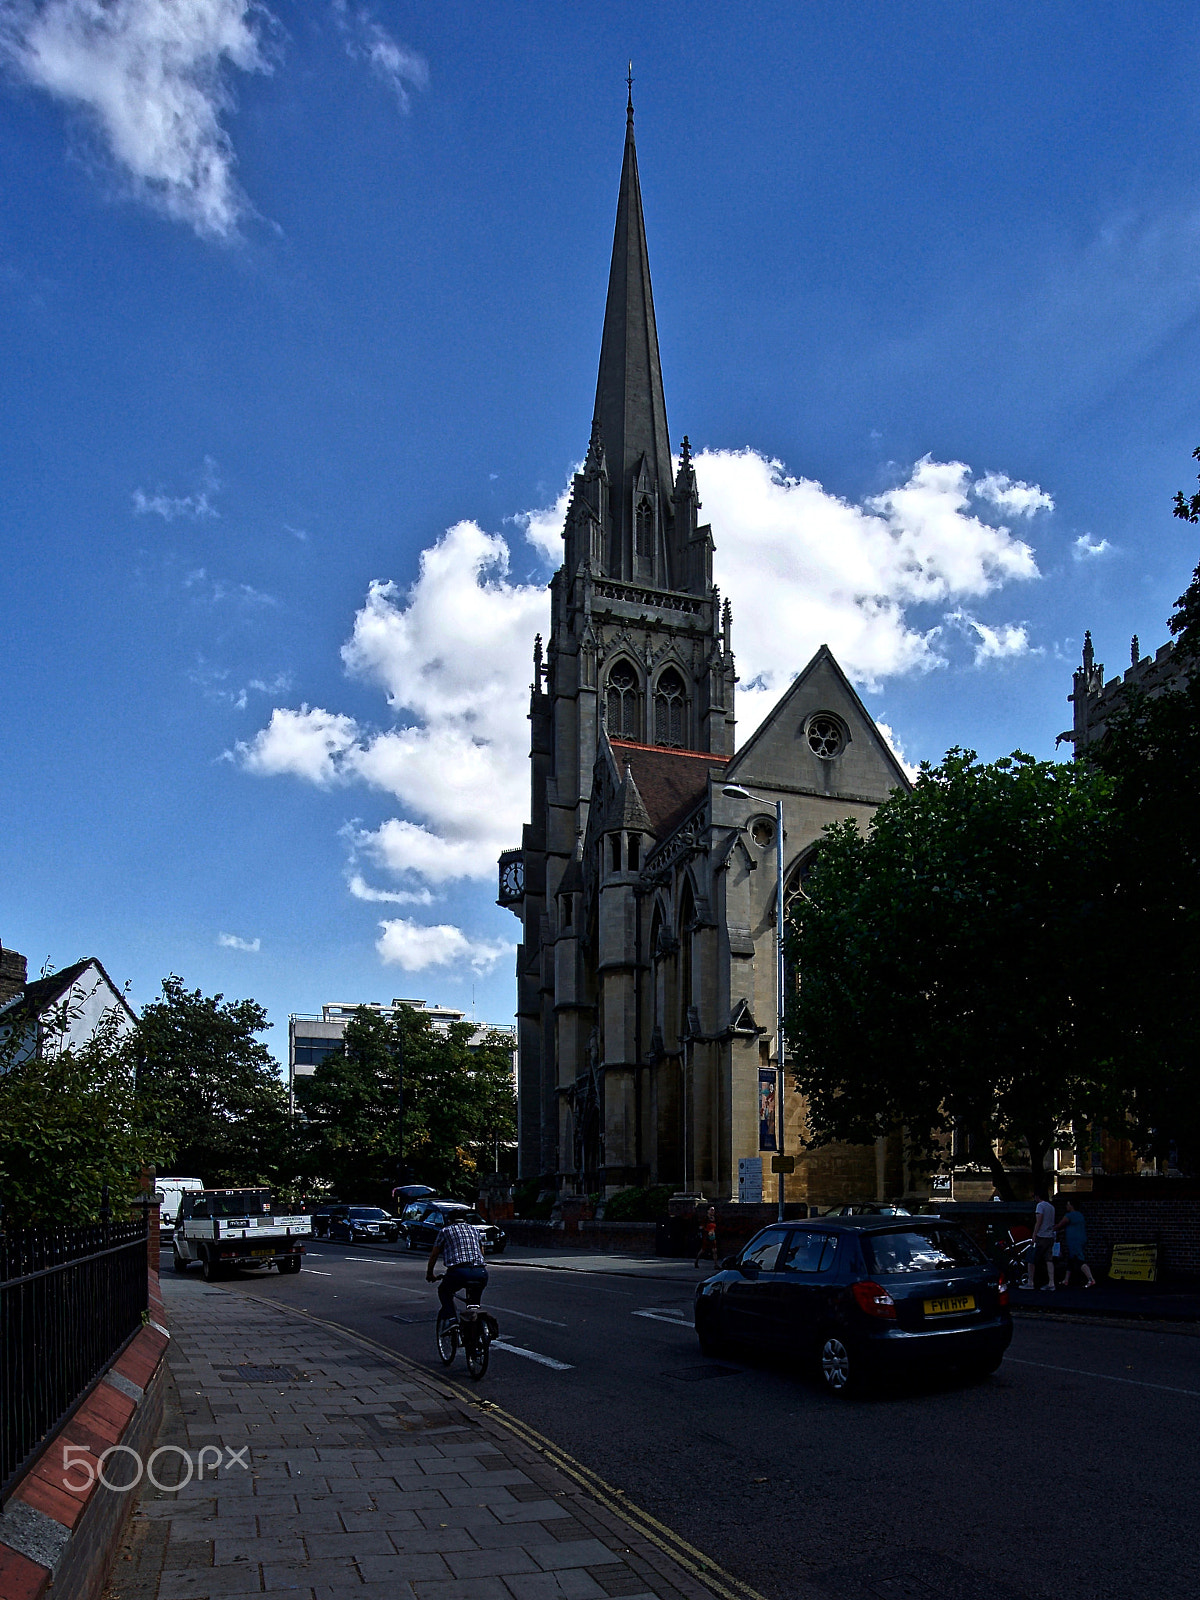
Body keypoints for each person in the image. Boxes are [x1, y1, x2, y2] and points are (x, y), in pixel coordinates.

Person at [426, 1213, 488, 1321]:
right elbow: (481, 1251)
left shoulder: (445, 1231)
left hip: (459, 1272)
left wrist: (430, 1273)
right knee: (474, 1303)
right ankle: (476, 1327)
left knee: (444, 1291)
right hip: (480, 1271)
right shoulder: (474, 1230)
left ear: (450, 1221)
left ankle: (451, 1320)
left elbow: (434, 1254)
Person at [1055, 1197, 1096, 1288]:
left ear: (1071, 1205)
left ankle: (1091, 1279)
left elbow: (1060, 1225)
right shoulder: (1080, 1215)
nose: (1066, 1206)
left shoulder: (1069, 1215)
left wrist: (1050, 1229)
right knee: (1071, 1259)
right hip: (1080, 1240)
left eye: (1068, 1204)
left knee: (1079, 1260)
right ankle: (1066, 1280)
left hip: (1074, 1241)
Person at [1028, 1188, 1057, 1290]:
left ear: (1037, 1196)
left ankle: (1030, 1282)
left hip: (1041, 1236)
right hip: (1050, 1236)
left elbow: (1038, 1222)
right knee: (1049, 1259)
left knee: (1032, 1259)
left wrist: (1034, 1236)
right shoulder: (1051, 1207)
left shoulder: (1040, 1206)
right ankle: (1051, 1283)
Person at [694, 1204, 719, 1269]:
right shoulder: (705, 1219)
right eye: (711, 1210)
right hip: (706, 1236)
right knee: (703, 1250)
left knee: (714, 1250)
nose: (712, 1211)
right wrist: (707, 1231)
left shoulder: (715, 1218)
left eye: (713, 1210)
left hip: (713, 1236)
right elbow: (701, 1227)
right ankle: (696, 1261)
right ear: (708, 1211)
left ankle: (716, 1264)